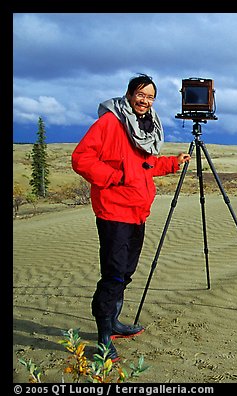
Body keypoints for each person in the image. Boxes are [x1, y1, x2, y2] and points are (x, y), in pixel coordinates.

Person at [71, 74, 191, 362]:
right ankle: (103, 337)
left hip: (137, 210)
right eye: (141, 94)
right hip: (114, 210)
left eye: (150, 97)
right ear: (129, 93)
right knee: (113, 274)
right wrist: (115, 177)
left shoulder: (143, 124)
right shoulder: (111, 121)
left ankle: (113, 322)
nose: (145, 100)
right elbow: (81, 158)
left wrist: (173, 163)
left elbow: (143, 165)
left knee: (125, 272)